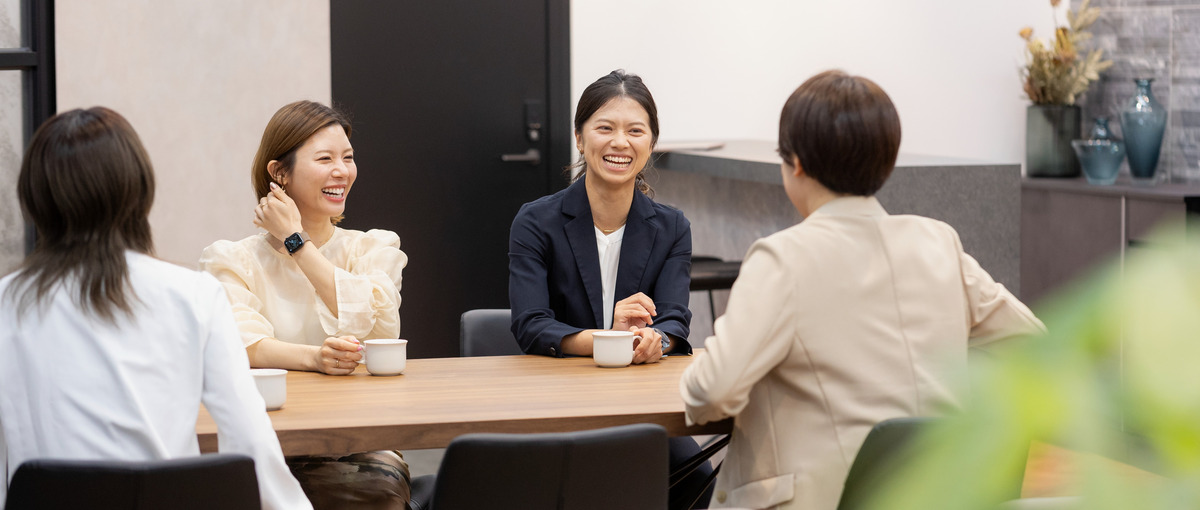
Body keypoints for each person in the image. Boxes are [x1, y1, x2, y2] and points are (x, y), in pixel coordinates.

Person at [679, 70, 1048, 510]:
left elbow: (712, 392)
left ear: (795, 164)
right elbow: (1036, 343)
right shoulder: (937, 242)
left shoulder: (784, 258)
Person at [0, 107, 311, 509]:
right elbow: (250, 440)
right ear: (139, 189)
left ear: (35, 198)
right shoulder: (193, 295)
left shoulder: (7, 303)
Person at [509, 70, 712, 509]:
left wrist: (653, 339)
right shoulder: (535, 221)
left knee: (697, 476)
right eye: (605, 128)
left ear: (651, 143)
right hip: (556, 399)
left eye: (635, 130)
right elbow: (531, 325)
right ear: (580, 139)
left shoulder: (672, 226)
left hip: (639, 403)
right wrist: (609, 339)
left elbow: (676, 317)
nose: (620, 142)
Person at [200, 100, 410, 509]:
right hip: (261, 440)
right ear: (279, 173)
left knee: (374, 495)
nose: (342, 171)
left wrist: (298, 243)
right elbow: (240, 345)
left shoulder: (374, 247)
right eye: (325, 158)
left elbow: (379, 327)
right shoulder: (230, 259)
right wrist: (315, 357)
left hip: (356, 442)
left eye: (348, 158)